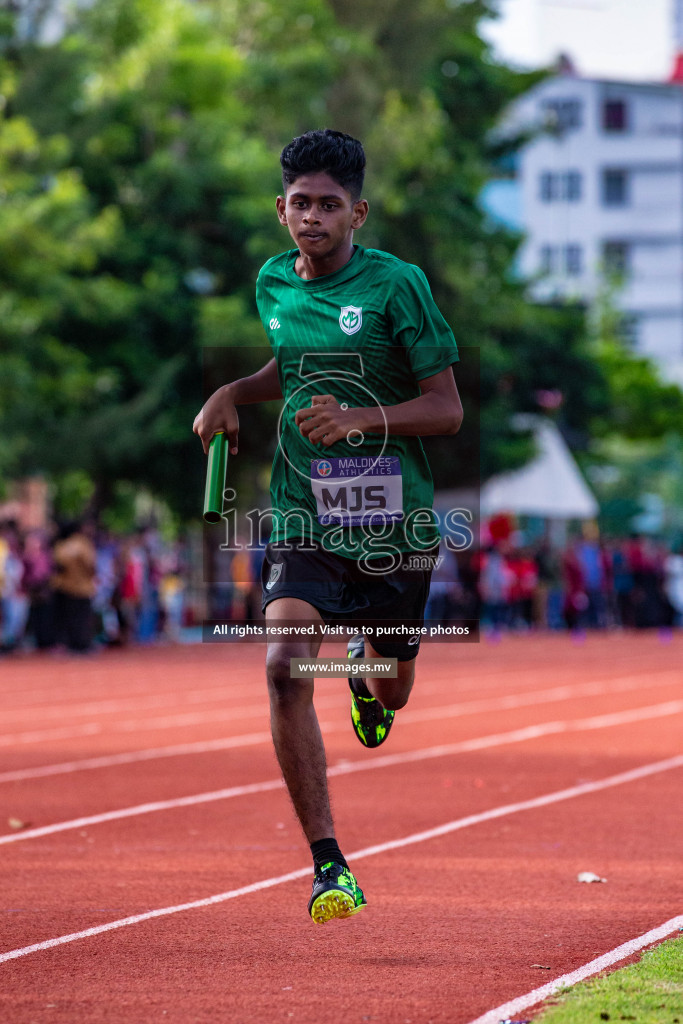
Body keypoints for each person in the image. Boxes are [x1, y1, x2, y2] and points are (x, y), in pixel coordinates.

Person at [194, 129, 462, 923]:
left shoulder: (397, 286)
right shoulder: (273, 284)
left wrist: (357, 420)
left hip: (390, 521)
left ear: (358, 213)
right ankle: (327, 864)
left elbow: (445, 409)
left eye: (329, 205)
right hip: (303, 512)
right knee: (281, 667)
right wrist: (234, 394)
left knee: (393, 685)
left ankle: (365, 679)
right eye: (300, 204)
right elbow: (290, 366)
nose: (312, 217)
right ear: (280, 210)